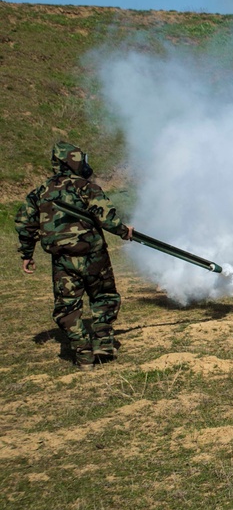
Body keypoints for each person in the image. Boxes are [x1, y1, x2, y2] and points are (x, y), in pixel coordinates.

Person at [14, 142, 133, 370]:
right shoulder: (87, 187)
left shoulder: (40, 192)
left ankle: (83, 354)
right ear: (77, 161)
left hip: (63, 261)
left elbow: (25, 224)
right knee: (104, 297)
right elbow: (106, 217)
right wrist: (123, 231)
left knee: (67, 307)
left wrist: (27, 253)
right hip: (94, 256)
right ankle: (103, 342)